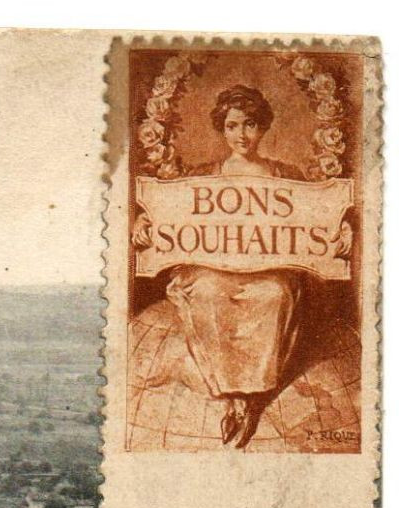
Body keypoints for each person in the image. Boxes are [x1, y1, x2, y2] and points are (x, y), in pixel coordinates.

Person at [133, 86, 320, 448]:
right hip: (214, 270)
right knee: (207, 292)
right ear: (222, 128)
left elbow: (319, 214)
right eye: (233, 125)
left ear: (262, 127)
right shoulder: (205, 174)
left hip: (267, 271)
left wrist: (340, 229)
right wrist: (141, 224)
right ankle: (235, 399)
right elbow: (168, 212)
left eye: (250, 124)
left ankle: (251, 399)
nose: (242, 135)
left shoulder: (285, 174)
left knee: (275, 295)